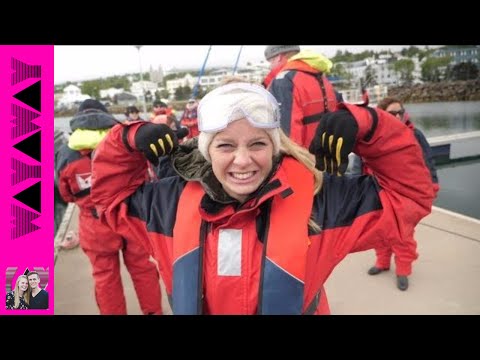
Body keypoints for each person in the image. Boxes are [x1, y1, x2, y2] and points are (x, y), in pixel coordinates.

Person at [91, 81, 435, 315]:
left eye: (257, 143)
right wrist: (126, 139)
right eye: (225, 145)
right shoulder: (165, 206)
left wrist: (368, 126)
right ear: (207, 151)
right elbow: (108, 199)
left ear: (275, 146)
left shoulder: (322, 203)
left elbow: (410, 194)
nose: (243, 160)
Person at [56, 99, 163, 315]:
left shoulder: (67, 153)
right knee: (143, 269)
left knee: (105, 277)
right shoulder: (124, 143)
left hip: (95, 224)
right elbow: (145, 175)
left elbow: (65, 194)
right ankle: (153, 312)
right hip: (130, 217)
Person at [366, 96, 440, 291]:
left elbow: (428, 163)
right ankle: (382, 262)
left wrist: (433, 185)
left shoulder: (416, 135)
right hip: (379, 194)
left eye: (401, 112)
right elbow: (360, 164)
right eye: (393, 113)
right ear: (383, 114)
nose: (398, 116)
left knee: (403, 235)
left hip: (407, 197)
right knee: (379, 232)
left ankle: (403, 270)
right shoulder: (372, 136)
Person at [263, 45, 338, 149]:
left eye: (271, 61)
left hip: (304, 158)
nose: (270, 67)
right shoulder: (322, 78)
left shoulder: (283, 81)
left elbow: (287, 133)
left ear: (279, 57)